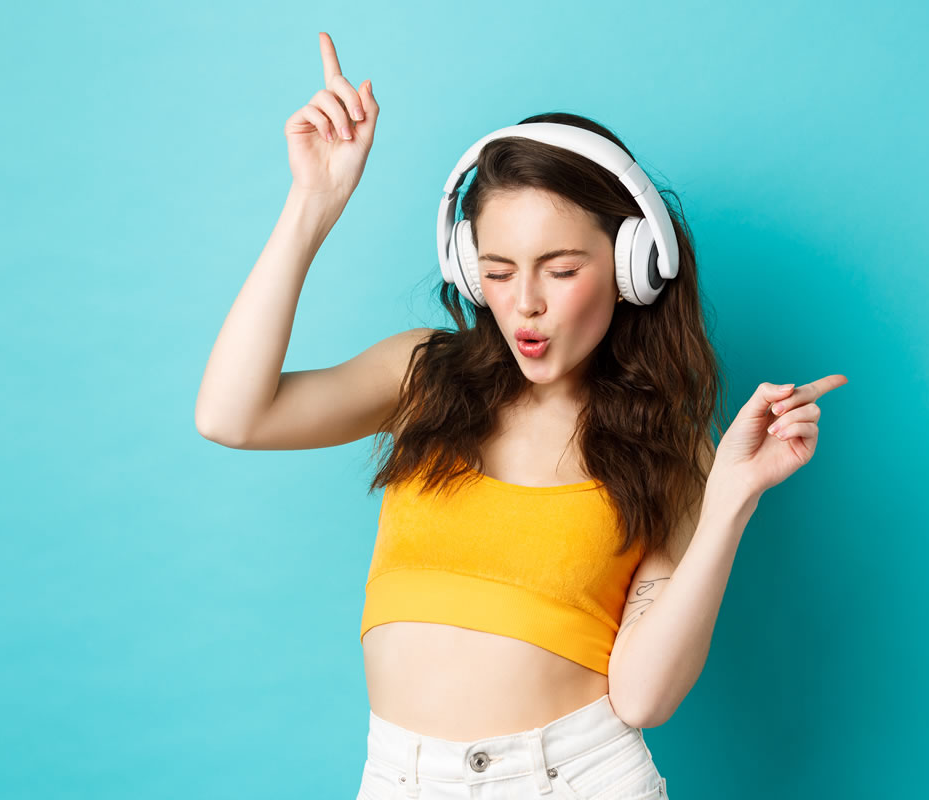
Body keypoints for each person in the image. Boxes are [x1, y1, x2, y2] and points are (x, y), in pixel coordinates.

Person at [195, 30, 847, 800]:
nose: (525, 304)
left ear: (634, 267)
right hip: (397, 778)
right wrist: (312, 203)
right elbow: (231, 416)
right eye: (497, 271)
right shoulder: (422, 375)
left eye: (561, 269)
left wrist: (731, 499)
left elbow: (643, 697)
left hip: (573, 780)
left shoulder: (669, 449)